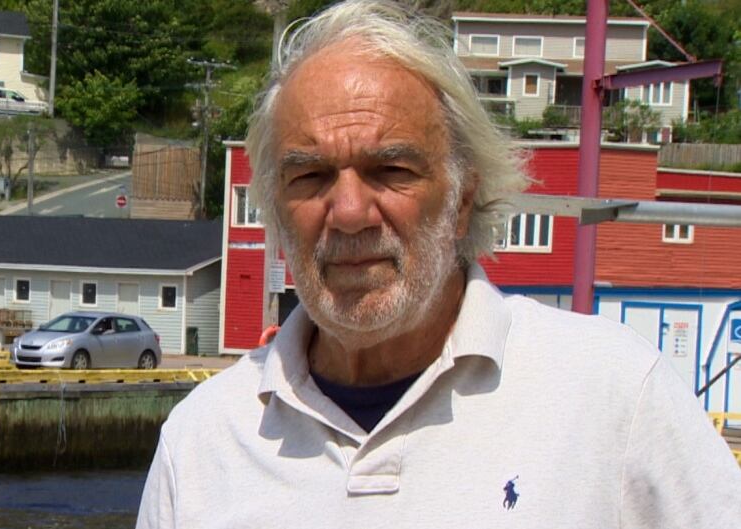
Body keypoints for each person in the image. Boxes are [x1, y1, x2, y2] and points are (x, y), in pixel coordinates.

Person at [137, 2, 741, 527]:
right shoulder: (203, 440)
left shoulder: (613, 396)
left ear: (462, 200)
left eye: (392, 171)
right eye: (310, 176)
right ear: (273, 207)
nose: (348, 212)